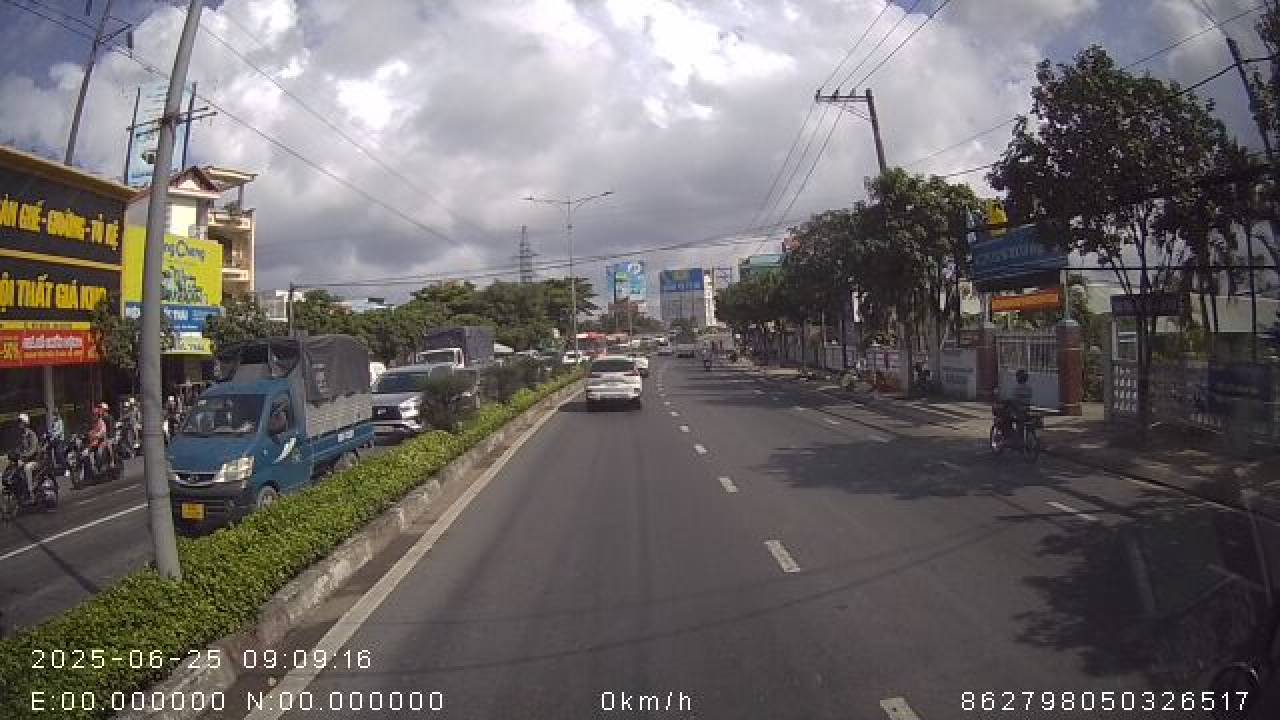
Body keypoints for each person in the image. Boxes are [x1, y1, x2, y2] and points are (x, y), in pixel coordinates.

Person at [14, 414, 40, 501]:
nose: (19, 424)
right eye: (19, 422)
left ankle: (31, 492)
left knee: (27, 468)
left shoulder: (32, 434)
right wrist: (15, 453)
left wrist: (23, 457)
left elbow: (33, 449)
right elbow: (20, 448)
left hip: (34, 460)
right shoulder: (22, 435)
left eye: (21, 422)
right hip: (26, 460)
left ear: (25, 423)